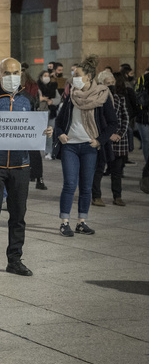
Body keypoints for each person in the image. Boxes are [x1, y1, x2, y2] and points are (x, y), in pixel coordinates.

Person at [0, 57, 53, 278]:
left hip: (20, 164)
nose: (12, 77)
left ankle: (15, 259)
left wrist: (44, 131)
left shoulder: (28, 98)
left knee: (18, 215)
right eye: (7, 73)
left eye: (16, 72)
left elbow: (34, 125)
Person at [54, 54, 117, 237]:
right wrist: (61, 134)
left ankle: (82, 221)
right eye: (74, 74)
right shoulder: (71, 95)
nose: (74, 78)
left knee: (86, 186)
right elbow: (59, 121)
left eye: (78, 74)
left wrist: (99, 140)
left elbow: (113, 123)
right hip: (70, 146)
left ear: (88, 77)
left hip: (90, 147)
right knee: (70, 184)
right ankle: (64, 222)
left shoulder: (102, 96)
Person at [91, 71, 129, 207]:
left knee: (117, 171)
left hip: (118, 140)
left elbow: (125, 118)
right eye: (108, 83)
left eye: (113, 83)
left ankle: (117, 196)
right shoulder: (97, 99)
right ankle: (96, 196)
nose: (112, 85)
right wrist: (108, 134)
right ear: (101, 84)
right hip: (103, 139)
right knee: (99, 169)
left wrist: (119, 133)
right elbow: (98, 120)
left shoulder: (120, 99)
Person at [22, 67, 47, 190]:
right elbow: (36, 103)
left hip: (24, 120)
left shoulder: (22, 89)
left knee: (29, 150)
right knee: (34, 151)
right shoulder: (34, 87)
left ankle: (34, 176)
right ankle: (38, 178)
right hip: (32, 120)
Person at [38, 70, 60, 158]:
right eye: (45, 75)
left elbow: (58, 98)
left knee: (49, 132)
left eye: (48, 76)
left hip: (51, 112)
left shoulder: (53, 88)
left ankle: (49, 151)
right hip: (41, 111)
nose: (47, 77)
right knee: (41, 132)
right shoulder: (37, 87)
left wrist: (51, 101)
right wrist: (42, 99)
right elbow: (37, 99)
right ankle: (40, 149)